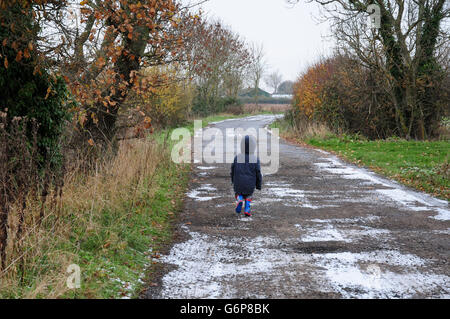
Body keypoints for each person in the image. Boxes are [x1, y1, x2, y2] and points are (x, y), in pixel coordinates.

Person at [230, 135, 262, 216]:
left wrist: (233, 181)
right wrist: (258, 185)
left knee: (238, 193)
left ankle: (239, 199)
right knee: (249, 195)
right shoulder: (255, 159)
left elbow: (232, 170)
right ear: (254, 146)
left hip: (238, 183)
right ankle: (247, 209)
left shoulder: (237, 158)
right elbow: (258, 173)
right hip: (250, 184)